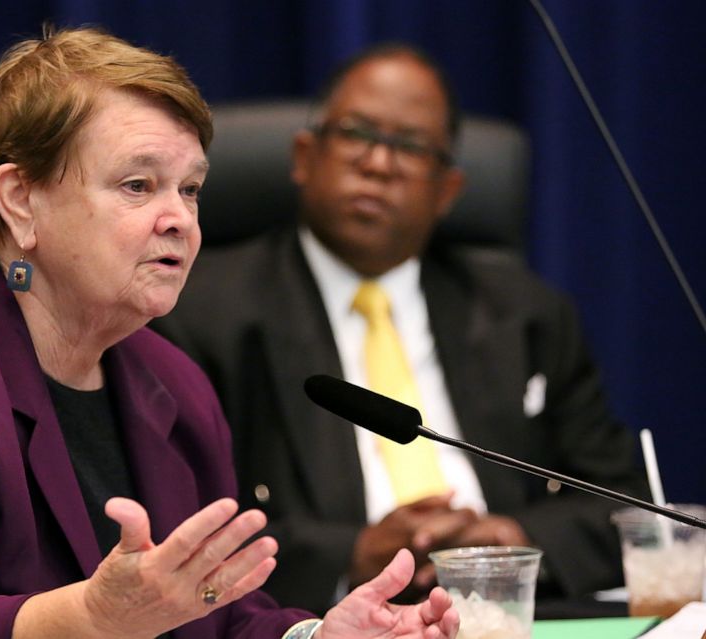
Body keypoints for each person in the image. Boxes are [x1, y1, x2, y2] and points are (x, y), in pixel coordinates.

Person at [0, 28, 460, 639]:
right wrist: (94, 617)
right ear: (20, 199)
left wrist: (315, 632)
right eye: (137, 185)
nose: (179, 219)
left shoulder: (174, 383)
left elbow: (212, 618)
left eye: (189, 189)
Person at [153, 43, 649, 614]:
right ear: (304, 156)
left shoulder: (526, 314)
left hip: (506, 617)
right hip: (318, 620)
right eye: (357, 134)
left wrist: (509, 541)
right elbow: (183, 519)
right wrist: (351, 555)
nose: (379, 164)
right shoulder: (199, 313)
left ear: (448, 191)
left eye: (410, 146)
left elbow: (626, 506)